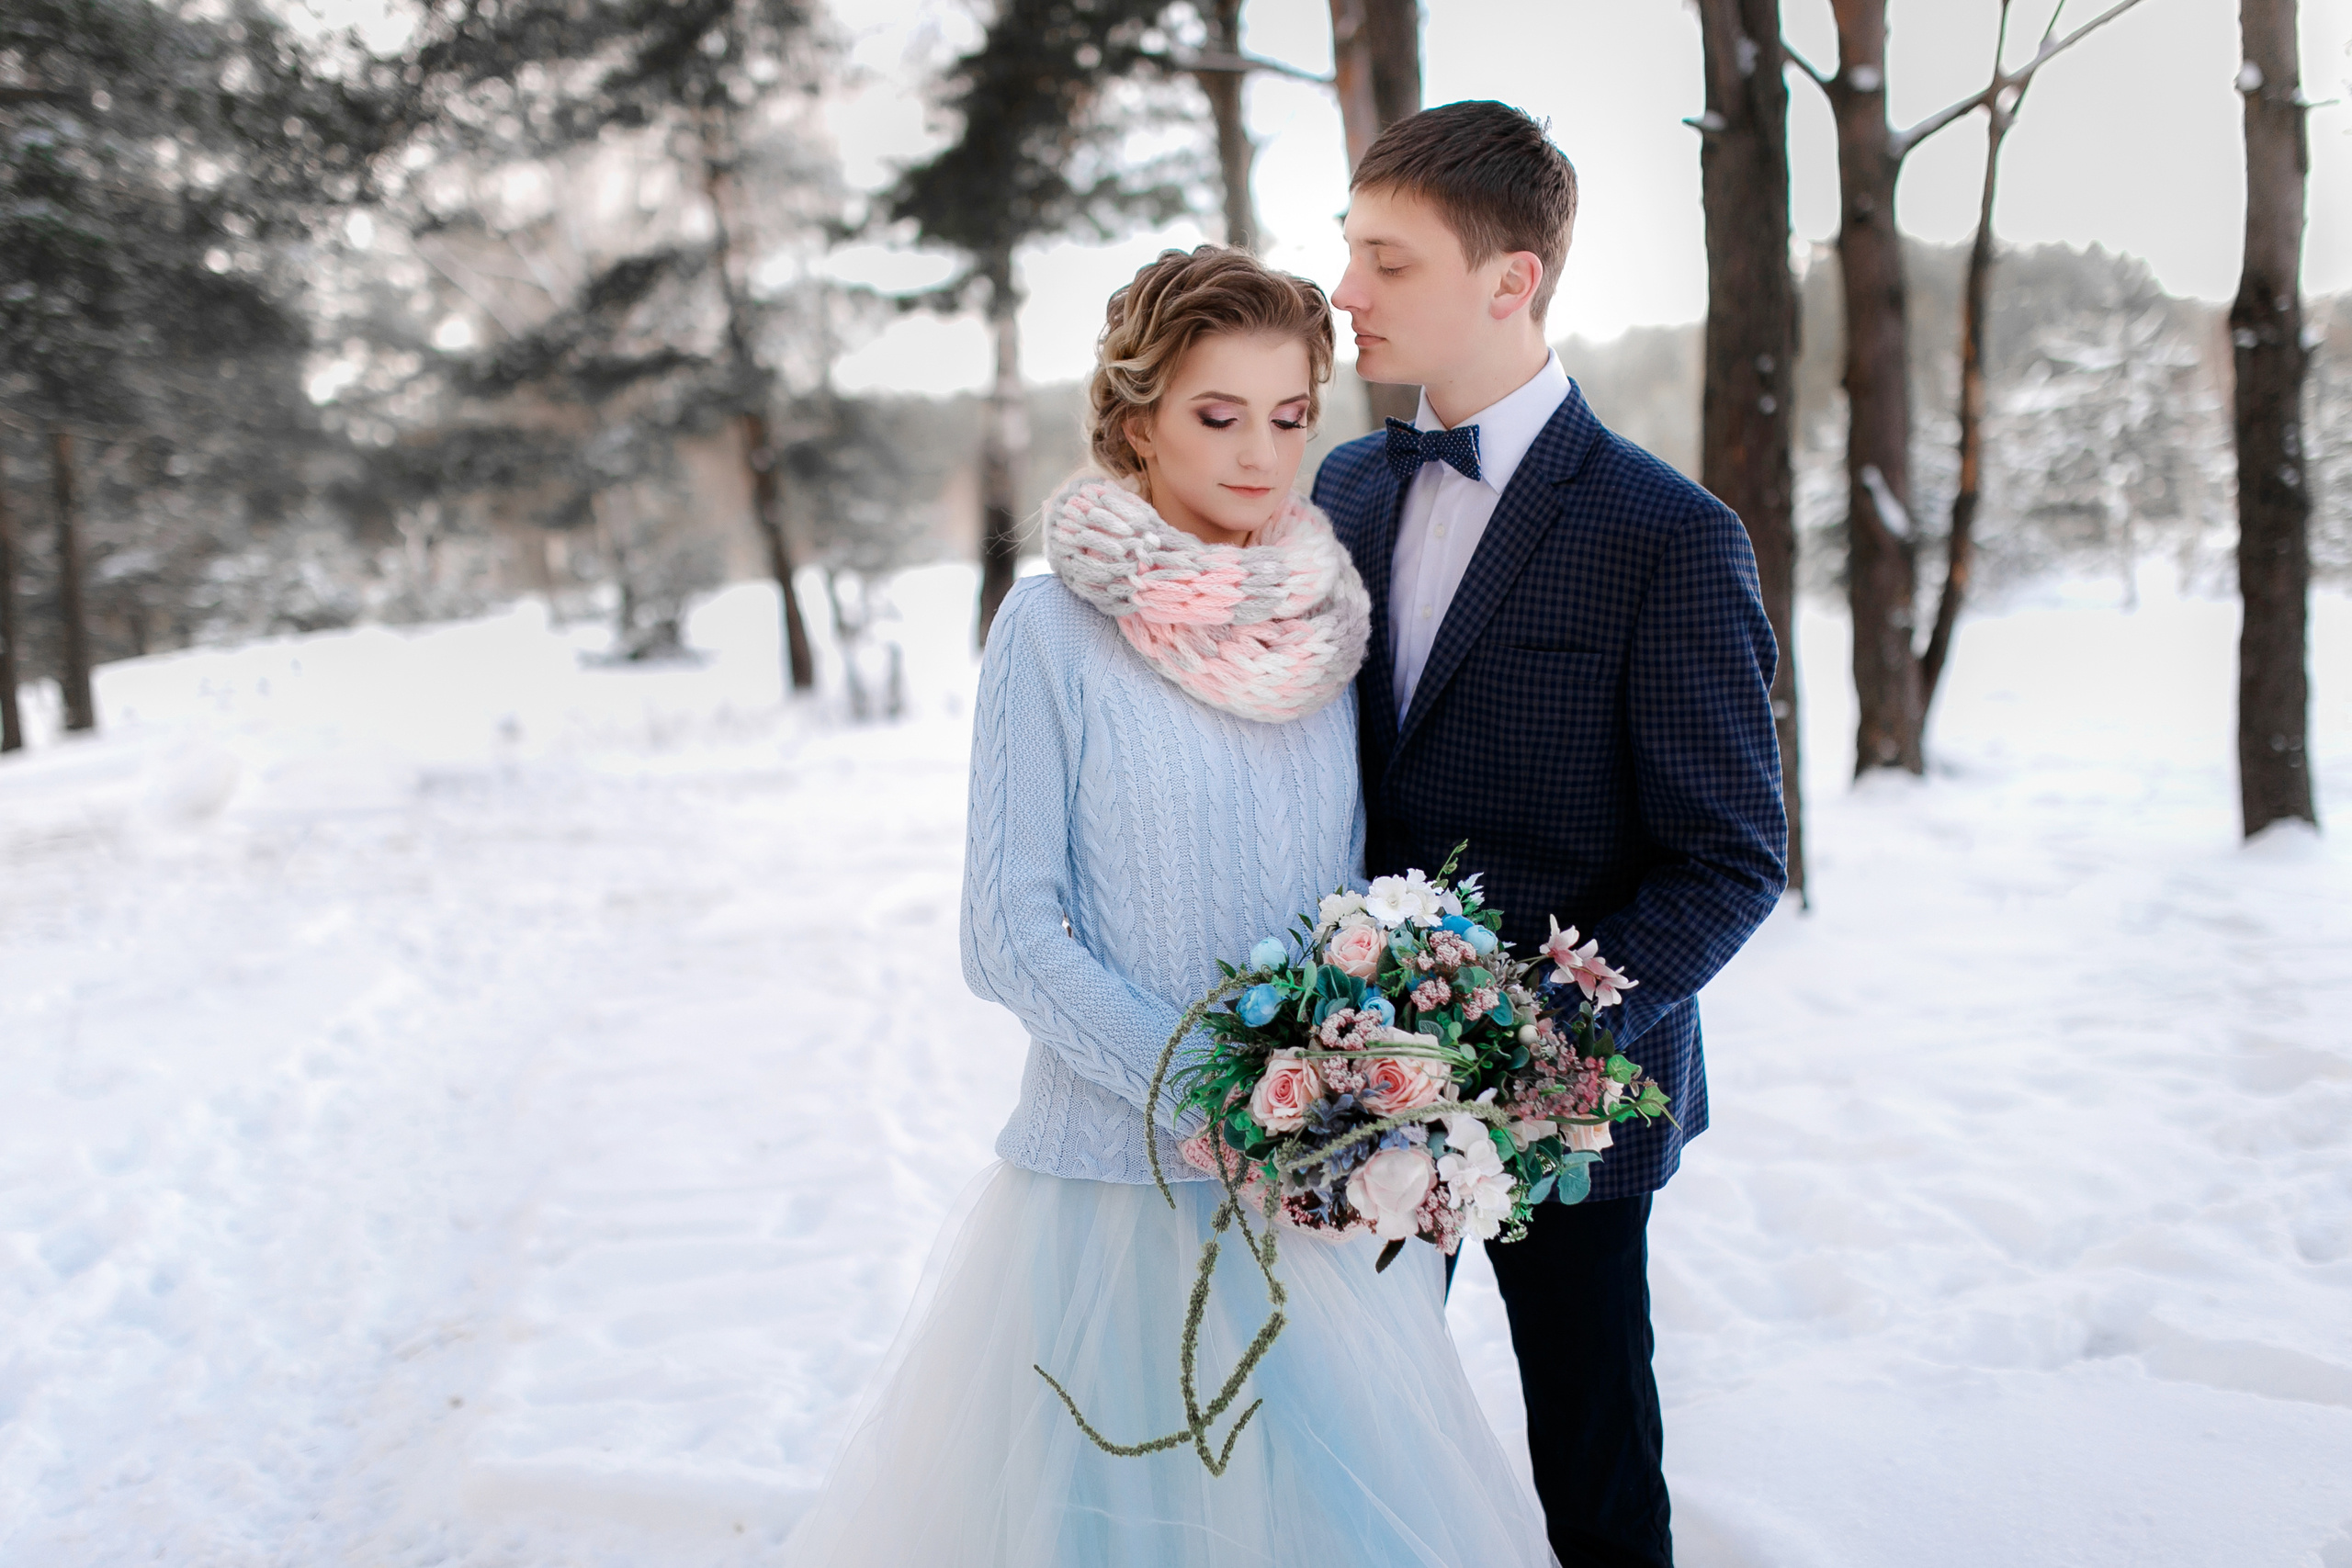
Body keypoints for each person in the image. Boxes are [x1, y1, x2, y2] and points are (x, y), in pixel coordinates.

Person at [780, 245, 1559, 1567]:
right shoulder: (1050, 631)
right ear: (1137, 417)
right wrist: (1217, 1096)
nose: (1261, 453)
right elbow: (1008, 935)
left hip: (1301, 1205)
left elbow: (1339, 907)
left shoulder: (1325, 620)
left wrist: (1363, 1082)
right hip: (1108, 1196)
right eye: (1217, 415)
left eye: (1291, 415)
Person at [1313, 101, 1789, 1567]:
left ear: (1509, 281)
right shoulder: (1341, 490)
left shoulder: (1670, 534)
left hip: (1574, 1104)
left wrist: (1532, 1040)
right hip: (1349, 1078)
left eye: (1388, 262)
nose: (1347, 293)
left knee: (1592, 1455)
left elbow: (1729, 858)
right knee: (1347, 1428)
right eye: (1350, 252)